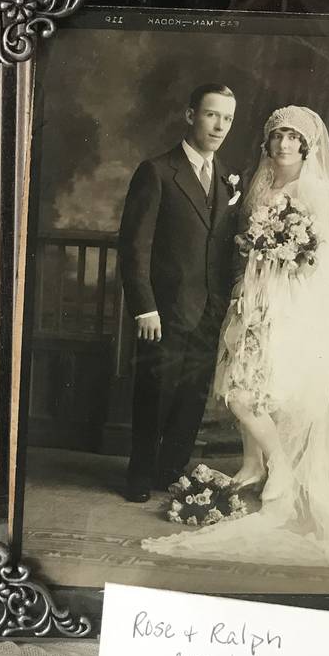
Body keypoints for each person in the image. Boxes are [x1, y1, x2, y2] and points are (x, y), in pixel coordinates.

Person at [143, 105, 329, 568]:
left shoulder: (314, 189)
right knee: (240, 383)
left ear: (307, 146)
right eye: (278, 136)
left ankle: (278, 464)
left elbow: (316, 260)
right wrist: (253, 250)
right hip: (252, 292)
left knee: (250, 389)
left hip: (288, 301)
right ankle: (255, 465)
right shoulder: (260, 182)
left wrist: (282, 252)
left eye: (293, 139)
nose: (284, 145)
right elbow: (236, 237)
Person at [117, 84, 241, 503]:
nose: (219, 125)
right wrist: (144, 308)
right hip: (164, 310)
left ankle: (170, 471)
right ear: (191, 116)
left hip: (210, 309)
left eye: (227, 118)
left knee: (192, 396)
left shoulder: (227, 177)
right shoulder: (157, 171)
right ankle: (138, 474)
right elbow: (134, 246)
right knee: (156, 392)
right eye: (211, 115)